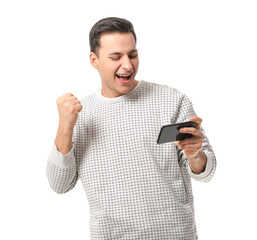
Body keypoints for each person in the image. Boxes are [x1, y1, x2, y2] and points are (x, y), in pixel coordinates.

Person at [46, 17, 217, 240]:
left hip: (175, 234)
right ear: (94, 60)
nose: (127, 65)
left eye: (133, 55)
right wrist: (65, 126)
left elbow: (207, 171)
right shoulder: (80, 114)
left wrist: (195, 154)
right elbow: (59, 185)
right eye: (116, 57)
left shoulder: (172, 100)